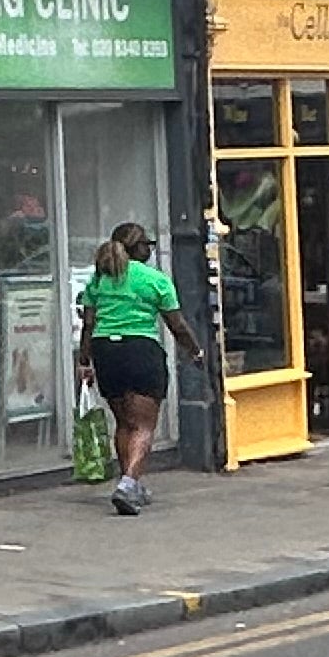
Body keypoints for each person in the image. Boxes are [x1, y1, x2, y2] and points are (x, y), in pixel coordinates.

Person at [81, 221, 208, 516]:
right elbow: (176, 324)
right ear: (138, 249)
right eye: (147, 246)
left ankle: (131, 483)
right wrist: (195, 351)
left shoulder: (99, 280)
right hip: (140, 352)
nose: (150, 251)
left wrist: (84, 361)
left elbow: (89, 323)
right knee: (144, 425)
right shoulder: (155, 280)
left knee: (124, 423)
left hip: (105, 352)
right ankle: (127, 485)